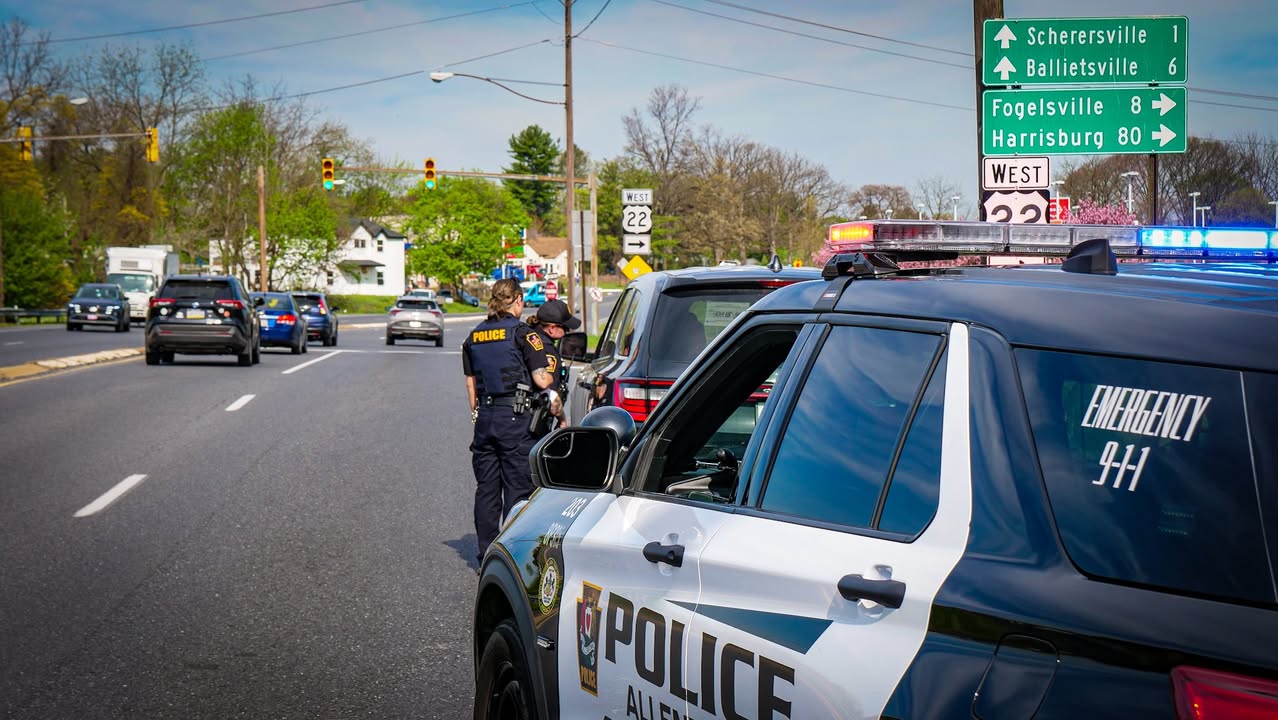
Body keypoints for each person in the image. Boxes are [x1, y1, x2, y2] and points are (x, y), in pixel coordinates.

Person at [461, 278, 577, 567]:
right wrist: (549, 382)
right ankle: (511, 557)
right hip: (516, 420)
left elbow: (471, 387)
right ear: (517, 301)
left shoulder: (474, 336)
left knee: (487, 490)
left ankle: (485, 555)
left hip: (485, 420)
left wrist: (480, 414)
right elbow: (542, 380)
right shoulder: (524, 334)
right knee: (518, 490)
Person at [524, 298, 581, 435]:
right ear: (552, 328)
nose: (567, 331)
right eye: (565, 328)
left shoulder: (529, 338)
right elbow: (550, 395)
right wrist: (562, 420)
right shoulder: (547, 350)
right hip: (534, 423)